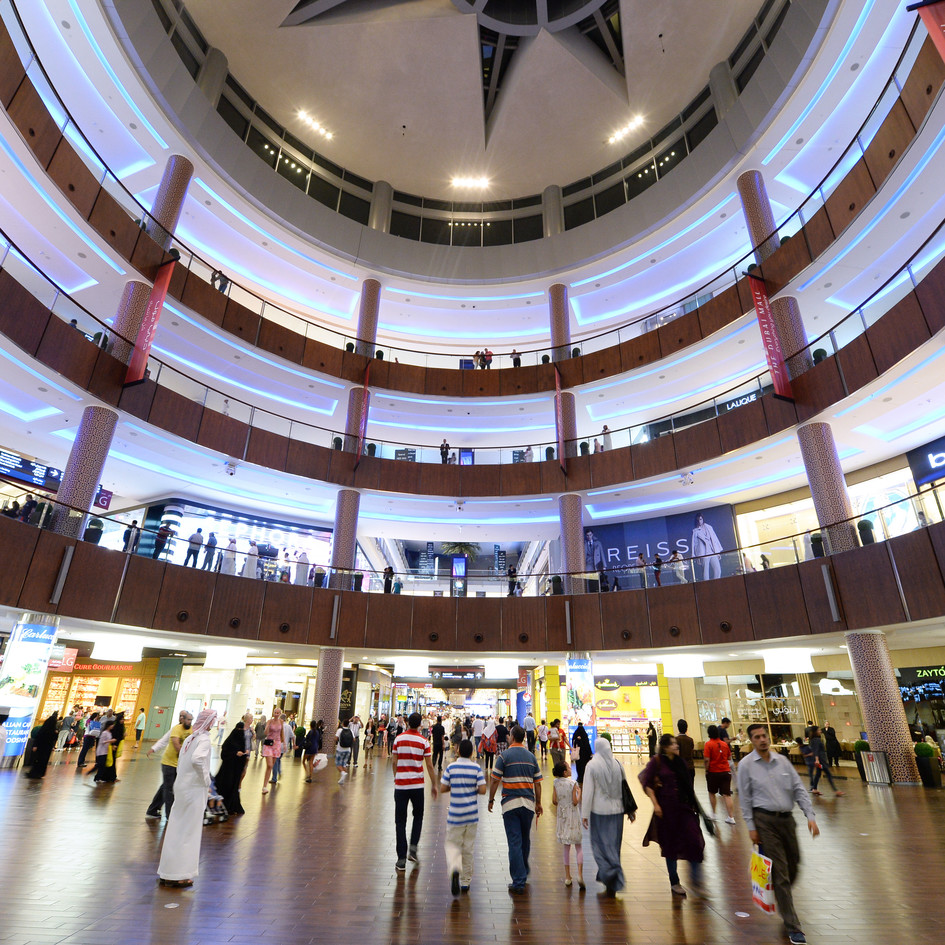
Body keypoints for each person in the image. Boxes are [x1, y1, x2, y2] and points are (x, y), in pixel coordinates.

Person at [736, 723, 818, 945]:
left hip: (787, 821)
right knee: (780, 873)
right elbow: (745, 799)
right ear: (751, 740)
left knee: (794, 866)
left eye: (764, 735)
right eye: (757, 737)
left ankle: (783, 896)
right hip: (764, 822)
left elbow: (798, 789)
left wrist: (810, 816)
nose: (762, 739)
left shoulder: (782, 761)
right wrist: (751, 827)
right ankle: (793, 926)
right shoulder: (746, 766)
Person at [157, 709, 217, 887]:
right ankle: (180, 874)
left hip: (182, 787)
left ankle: (167, 871)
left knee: (176, 827)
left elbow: (183, 762)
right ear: (209, 722)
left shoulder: (190, 738)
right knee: (189, 831)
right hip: (194, 790)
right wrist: (206, 780)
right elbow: (197, 760)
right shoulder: (203, 739)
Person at [641, 734, 706, 897]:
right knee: (670, 845)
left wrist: (694, 804)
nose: (676, 746)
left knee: (694, 840)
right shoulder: (656, 762)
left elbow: (688, 785)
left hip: (684, 807)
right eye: (672, 744)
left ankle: (696, 880)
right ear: (665, 747)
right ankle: (674, 881)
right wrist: (655, 804)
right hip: (666, 809)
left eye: (676, 743)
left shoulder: (680, 762)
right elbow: (647, 784)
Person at [488, 725, 542, 894]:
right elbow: (538, 783)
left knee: (514, 842)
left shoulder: (504, 756)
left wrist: (491, 799)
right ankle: (523, 870)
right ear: (524, 737)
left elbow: (495, 780)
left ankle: (519, 881)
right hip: (528, 805)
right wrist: (538, 803)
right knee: (525, 840)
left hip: (510, 805)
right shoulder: (531, 757)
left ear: (511, 737)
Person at [582, 737, 632, 896]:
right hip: (617, 811)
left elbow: (588, 791)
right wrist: (630, 810)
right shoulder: (618, 764)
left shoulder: (592, 765)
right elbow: (625, 787)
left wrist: (584, 813)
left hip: (599, 811)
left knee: (600, 846)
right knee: (614, 846)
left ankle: (611, 874)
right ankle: (611, 880)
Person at [392, 711, 438, 871]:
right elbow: (429, 765)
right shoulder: (424, 741)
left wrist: (396, 777)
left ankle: (401, 859)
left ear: (407, 723)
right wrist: (434, 784)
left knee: (400, 821)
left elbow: (394, 761)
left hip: (401, 786)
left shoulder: (398, 739)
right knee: (418, 816)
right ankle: (413, 848)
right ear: (420, 725)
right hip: (417, 786)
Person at [441, 739, 487, 894]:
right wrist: (472, 789)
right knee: (468, 848)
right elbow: (483, 790)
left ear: (458, 751)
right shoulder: (476, 768)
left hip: (455, 815)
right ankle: (465, 882)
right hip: (471, 815)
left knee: (453, 845)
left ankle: (455, 869)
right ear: (472, 752)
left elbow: (443, 788)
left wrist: (454, 786)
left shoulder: (451, 767)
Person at [552, 761, 584, 887]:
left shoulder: (555, 783)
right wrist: (579, 793)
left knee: (566, 846)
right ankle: (580, 875)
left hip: (562, 816)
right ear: (565, 772)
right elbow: (575, 802)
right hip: (573, 816)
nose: (571, 769)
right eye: (569, 767)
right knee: (578, 845)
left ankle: (567, 876)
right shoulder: (573, 783)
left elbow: (554, 801)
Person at [703, 724, 736, 823]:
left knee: (712, 792)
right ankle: (731, 817)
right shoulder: (724, 744)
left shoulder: (708, 744)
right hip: (726, 771)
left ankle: (714, 814)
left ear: (709, 733)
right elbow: (729, 757)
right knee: (727, 795)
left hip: (713, 772)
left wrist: (706, 770)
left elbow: (707, 760)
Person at [215, 720, 249, 814]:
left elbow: (244, 755)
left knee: (234, 787)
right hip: (227, 769)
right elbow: (224, 754)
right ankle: (223, 806)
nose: (240, 732)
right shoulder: (229, 741)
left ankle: (232, 806)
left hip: (237, 769)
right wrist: (235, 753)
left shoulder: (242, 741)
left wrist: (244, 754)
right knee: (227, 785)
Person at [808, 726, 845, 797]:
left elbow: (813, 750)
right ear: (815, 732)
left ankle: (814, 788)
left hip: (819, 760)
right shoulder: (817, 740)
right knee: (828, 774)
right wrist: (817, 759)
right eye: (818, 730)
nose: (820, 731)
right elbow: (816, 750)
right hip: (821, 760)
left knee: (818, 774)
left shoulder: (812, 740)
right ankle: (835, 790)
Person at [24, 712, 58, 779]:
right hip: (47, 748)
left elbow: (38, 737)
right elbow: (54, 739)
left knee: (38, 760)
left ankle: (34, 773)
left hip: (41, 747)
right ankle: (40, 773)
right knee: (43, 761)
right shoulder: (53, 731)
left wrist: (35, 746)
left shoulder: (43, 729)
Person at [691, 512, 723, 580]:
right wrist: (697, 556)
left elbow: (715, 539)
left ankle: (716, 584)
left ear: (703, 519)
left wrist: (717, 552)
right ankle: (707, 585)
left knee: (718, 570)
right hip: (704, 554)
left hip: (712, 552)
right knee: (705, 573)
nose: (700, 521)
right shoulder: (695, 531)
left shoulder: (709, 527)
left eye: (701, 519)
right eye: (698, 520)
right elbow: (694, 544)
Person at [260, 707, 284, 794]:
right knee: (269, 765)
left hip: (277, 744)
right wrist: (268, 726)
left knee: (271, 766)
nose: (276, 714)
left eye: (278, 713)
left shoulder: (281, 722)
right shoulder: (269, 721)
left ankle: (265, 786)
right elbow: (265, 733)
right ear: (273, 713)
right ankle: (264, 786)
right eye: (275, 712)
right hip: (269, 743)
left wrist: (284, 744)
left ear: (280, 714)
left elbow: (282, 733)